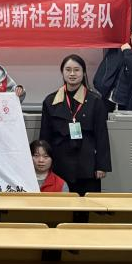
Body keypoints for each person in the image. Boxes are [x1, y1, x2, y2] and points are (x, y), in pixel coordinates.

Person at [40, 54, 111, 196]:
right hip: (59, 164)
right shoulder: (50, 100)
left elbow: (102, 135)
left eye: (76, 70)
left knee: (87, 204)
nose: (72, 74)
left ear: (84, 73)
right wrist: (43, 162)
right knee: (60, 204)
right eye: (68, 70)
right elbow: (45, 136)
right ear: (62, 72)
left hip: (87, 164)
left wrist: (101, 166)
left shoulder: (95, 100)